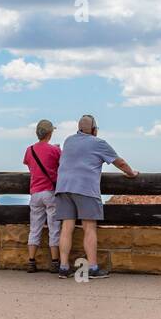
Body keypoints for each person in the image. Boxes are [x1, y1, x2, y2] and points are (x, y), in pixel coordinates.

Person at [54, 115, 137, 279]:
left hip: (63, 187)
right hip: (85, 188)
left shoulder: (69, 140)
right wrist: (131, 173)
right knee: (89, 228)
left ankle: (63, 268)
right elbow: (119, 162)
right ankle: (92, 267)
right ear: (94, 129)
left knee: (66, 228)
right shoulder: (98, 143)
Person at [23, 119, 61, 272]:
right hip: (50, 192)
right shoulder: (55, 150)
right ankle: (55, 262)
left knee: (35, 228)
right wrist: (57, 149)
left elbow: (30, 165)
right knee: (54, 227)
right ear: (50, 133)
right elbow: (61, 164)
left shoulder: (29, 150)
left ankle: (31, 261)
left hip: (35, 193)